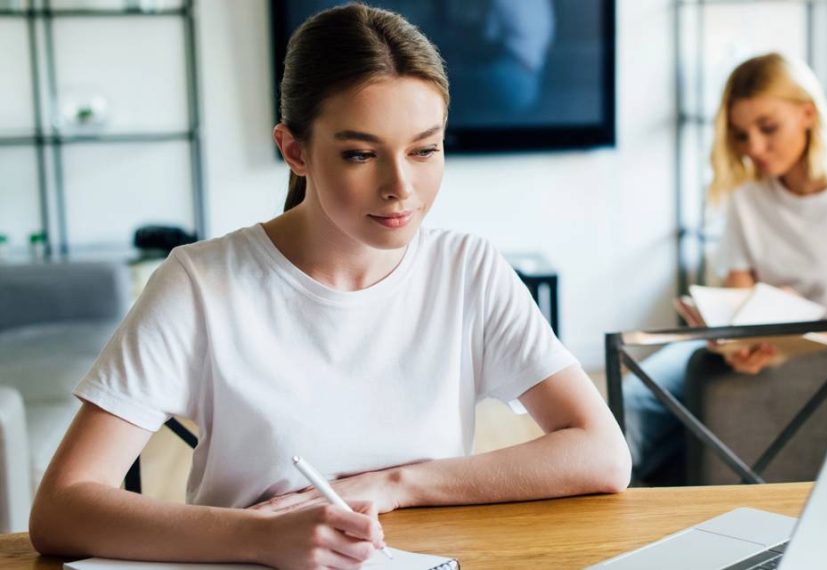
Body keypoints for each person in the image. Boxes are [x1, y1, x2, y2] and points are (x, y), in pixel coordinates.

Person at [28, 5, 630, 568]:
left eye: (425, 150)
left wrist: (393, 484)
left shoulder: (467, 270)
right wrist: (260, 537)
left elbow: (603, 454)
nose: (402, 187)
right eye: (361, 155)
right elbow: (60, 508)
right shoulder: (199, 284)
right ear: (294, 149)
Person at [624, 52, 827, 485]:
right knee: (632, 404)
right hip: (759, 351)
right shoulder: (747, 198)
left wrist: (803, 339)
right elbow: (736, 302)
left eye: (767, 128)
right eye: (740, 134)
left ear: (808, 113)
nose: (753, 147)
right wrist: (728, 338)